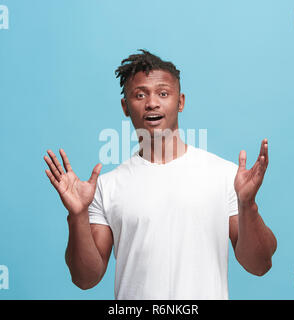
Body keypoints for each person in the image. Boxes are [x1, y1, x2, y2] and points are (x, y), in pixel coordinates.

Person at [43, 49, 277, 300]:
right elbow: (85, 279)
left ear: (181, 101)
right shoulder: (107, 187)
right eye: (140, 95)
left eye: (163, 93)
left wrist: (248, 204)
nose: (152, 102)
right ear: (125, 106)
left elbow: (259, 265)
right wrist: (77, 215)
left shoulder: (225, 176)